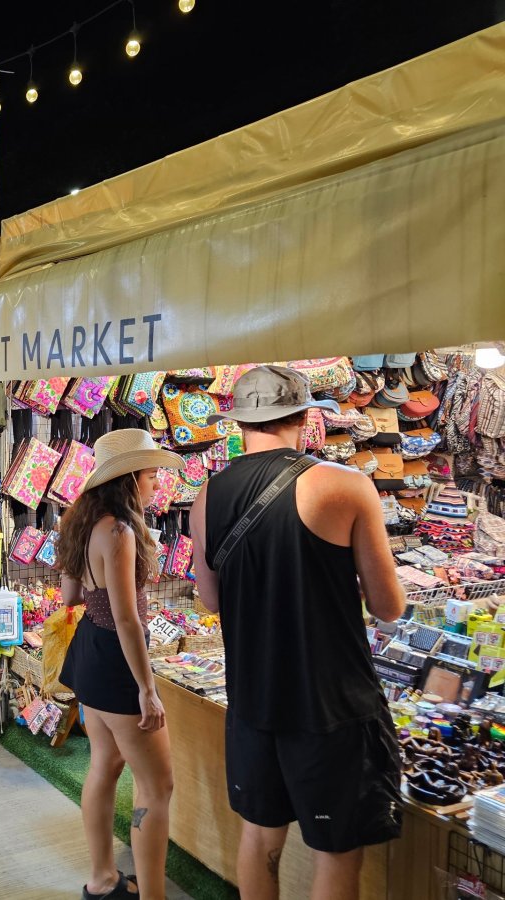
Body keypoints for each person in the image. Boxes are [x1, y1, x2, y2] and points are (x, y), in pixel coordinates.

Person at [189, 366, 405, 900]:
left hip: (252, 699)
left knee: (261, 835)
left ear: (238, 421)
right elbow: (389, 606)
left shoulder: (207, 497)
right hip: (331, 703)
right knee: (336, 852)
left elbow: (210, 600)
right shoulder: (346, 486)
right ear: (307, 418)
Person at [57, 429, 182, 900]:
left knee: (104, 766)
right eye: (151, 475)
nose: (156, 485)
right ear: (129, 479)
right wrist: (147, 688)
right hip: (118, 660)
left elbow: (70, 598)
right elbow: (128, 620)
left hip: (89, 653)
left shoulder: (80, 522)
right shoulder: (119, 531)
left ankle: (103, 879)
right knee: (156, 787)